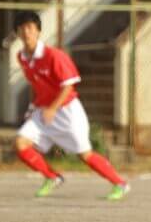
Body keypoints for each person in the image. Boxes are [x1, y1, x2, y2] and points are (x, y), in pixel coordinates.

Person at [13, 11, 129, 200]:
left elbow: (69, 85)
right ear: (17, 33)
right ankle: (52, 177)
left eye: (31, 28)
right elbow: (37, 85)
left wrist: (52, 108)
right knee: (20, 143)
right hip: (44, 111)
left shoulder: (53, 56)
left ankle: (120, 183)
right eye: (22, 28)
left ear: (38, 31)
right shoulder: (22, 57)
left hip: (67, 110)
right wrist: (34, 107)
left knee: (85, 154)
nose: (27, 32)